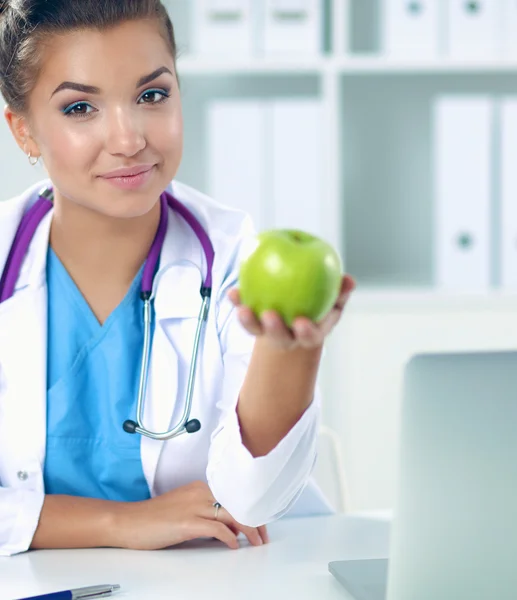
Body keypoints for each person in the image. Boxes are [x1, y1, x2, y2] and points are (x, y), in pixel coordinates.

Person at [0, 0, 355, 557]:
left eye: (152, 95)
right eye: (79, 108)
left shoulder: (237, 259)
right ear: (23, 131)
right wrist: (122, 523)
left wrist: (290, 351)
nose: (128, 139)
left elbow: (250, 499)